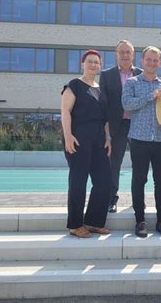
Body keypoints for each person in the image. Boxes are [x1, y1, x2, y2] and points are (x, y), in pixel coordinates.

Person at [121, 46, 161, 238]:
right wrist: (150, 96)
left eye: (155, 60)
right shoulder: (132, 82)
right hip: (139, 139)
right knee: (139, 180)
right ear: (142, 61)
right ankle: (140, 221)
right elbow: (127, 105)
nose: (152, 63)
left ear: (160, 63)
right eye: (148, 59)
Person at [61, 50, 112, 238]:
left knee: (104, 180)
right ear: (82, 64)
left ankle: (93, 222)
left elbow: (105, 118)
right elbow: (65, 111)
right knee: (78, 181)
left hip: (99, 140)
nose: (93, 65)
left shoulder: (100, 89)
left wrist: (108, 138)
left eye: (96, 62)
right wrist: (68, 136)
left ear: (100, 66)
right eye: (89, 61)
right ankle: (75, 224)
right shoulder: (74, 85)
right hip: (78, 138)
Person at [100, 40, 142, 213]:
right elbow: (103, 105)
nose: (125, 55)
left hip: (138, 125)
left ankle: (137, 200)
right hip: (117, 127)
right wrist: (107, 134)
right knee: (113, 164)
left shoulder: (142, 74)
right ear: (116, 55)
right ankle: (112, 200)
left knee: (139, 164)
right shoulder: (106, 75)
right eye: (121, 52)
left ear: (133, 55)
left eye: (128, 52)